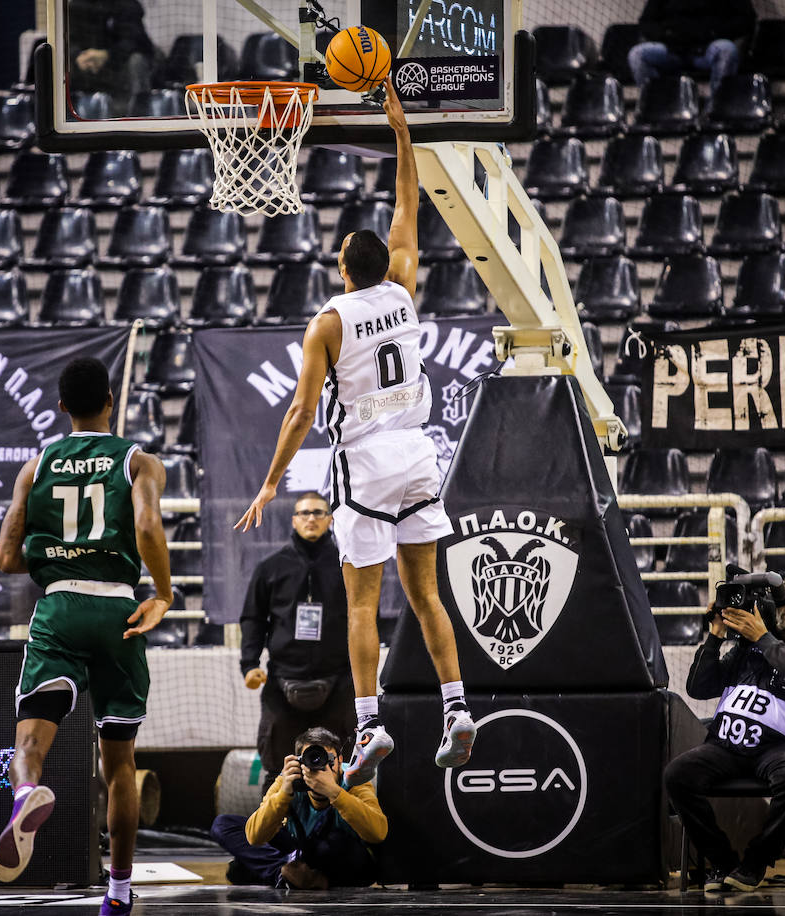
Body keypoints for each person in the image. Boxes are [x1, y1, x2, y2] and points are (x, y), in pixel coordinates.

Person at [235, 77, 475, 788]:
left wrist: (274, 478)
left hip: (365, 462)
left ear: (342, 267)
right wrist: (402, 133)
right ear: (382, 262)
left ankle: (368, 724)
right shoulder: (404, 285)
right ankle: (457, 707)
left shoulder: (328, 321)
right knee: (428, 595)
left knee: (365, 601)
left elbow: (301, 412)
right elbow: (409, 205)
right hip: (420, 453)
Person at [0, 357, 172, 916]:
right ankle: (117, 891)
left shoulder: (36, 465)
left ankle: (25, 795)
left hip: (60, 607)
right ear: (111, 401)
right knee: (118, 766)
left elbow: (5, 558)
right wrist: (161, 594)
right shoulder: (140, 461)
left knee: (29, 746)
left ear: (63, 405)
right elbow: (145, 528)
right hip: (117, 610)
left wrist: (56, 556)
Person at [663, 577, 785, 893]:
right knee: (677, 774)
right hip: (730, 746)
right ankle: (722, 862)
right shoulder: (749, 647)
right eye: (784, 597)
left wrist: (763, 637)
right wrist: (716, 635)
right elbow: (699, 687)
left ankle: (755, 862)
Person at [241, 492, 357, 785]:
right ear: (294, 520)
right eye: (304, 513)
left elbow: (365, 618)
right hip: (282, 681)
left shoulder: (350, 566)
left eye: (318, 513)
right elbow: (253, 619)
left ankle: (338, 830)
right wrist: (249, 664)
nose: (311, 518)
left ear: (330, 519)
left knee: (340, 770)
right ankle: (277, 829)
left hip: (338, 680)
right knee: (278, 772)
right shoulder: (270, 568)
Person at [210, 726, 387, 889]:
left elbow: (378, 833)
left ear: (340, 761)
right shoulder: (290, 779)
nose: (320, 768)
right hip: (301, 848)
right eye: (313, 760)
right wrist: (284, 792)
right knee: (223, 825)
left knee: (330, 844)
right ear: (300, 762)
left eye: (328, 761)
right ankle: (283, 874)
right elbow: (254, 836)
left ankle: (289, 873)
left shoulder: (353, 778)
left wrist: (334, 792)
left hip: (343, 854)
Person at [626, 0, 755, 90]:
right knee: (637, 54)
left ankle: (717, 109)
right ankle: (658, 107)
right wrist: (667, 34)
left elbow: (747, 19)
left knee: (727, 49)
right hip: (673, 50)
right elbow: (646, 23)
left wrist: (713, 32)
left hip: (708, 48)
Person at [66, 0, 158, 113]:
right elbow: (69, 40)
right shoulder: (76, 6)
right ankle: (70, 115)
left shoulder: (127, 5)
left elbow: (136, 42)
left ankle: (137, 116)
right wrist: (78, 56)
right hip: (90, 66)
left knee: (137, 61)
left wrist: (106, 55)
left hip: (120, 65)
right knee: (60, 62)